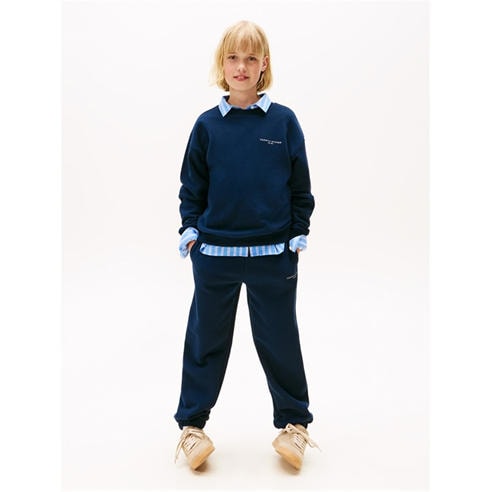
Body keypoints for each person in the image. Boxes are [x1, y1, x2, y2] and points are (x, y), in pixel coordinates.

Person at [174, 20, 318, 471]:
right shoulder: (206, 126)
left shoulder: (283, 122)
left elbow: (300, 187)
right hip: (215, 256)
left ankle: (295, 426)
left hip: (274, 257)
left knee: (280, 339)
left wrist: (298, 231)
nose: (241, 66)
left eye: (251, 58)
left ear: (264, 65)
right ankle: (192, 429)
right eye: (233, 58)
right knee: (206, 341)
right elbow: (192, 187)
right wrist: (190, 230)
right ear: (222, 64)